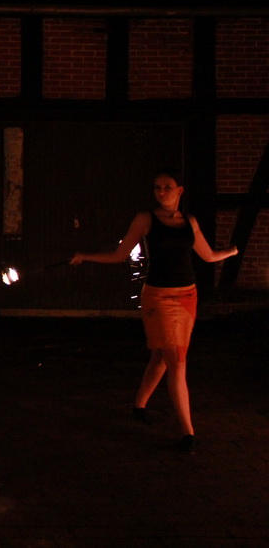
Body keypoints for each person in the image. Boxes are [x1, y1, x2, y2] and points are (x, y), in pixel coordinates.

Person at [70, 169, 238, 453]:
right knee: (177, 361)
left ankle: (139, 406)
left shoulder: (190, 222)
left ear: (179, 190)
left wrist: (232, 251)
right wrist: (85, 256)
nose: (161, 192)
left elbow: (208, 255)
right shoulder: (145, 219)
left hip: (187, 296)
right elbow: (120, 254)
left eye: (167, 187)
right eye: (157, 187)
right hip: (158, 297)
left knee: (161, 355)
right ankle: (188, 432)